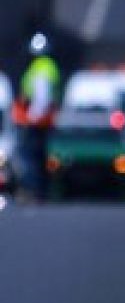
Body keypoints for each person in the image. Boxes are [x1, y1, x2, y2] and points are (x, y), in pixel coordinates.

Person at [12, 32, 62, 203]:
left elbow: (42, 98)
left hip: (36, 123)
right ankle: (39, 192)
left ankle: (34, 192)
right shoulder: (46, 66)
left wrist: (31, 119)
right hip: (42, 122)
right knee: (39, 158)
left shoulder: (41, 68)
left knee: (31, 158)